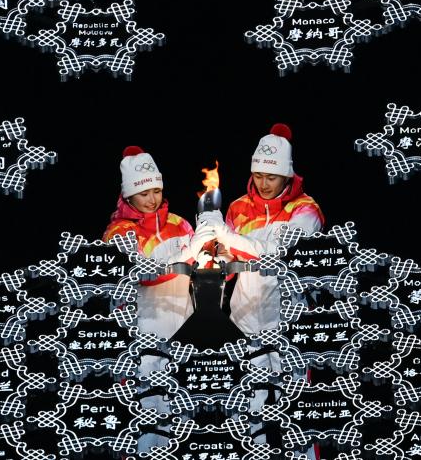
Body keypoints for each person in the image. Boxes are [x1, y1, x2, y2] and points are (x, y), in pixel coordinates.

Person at [205, 123, 325, 334]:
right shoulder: (238, 207)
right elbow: (229, 255)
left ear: (286, 176)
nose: (263, 184)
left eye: (271, 178)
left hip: (289, 319)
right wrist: (216, 262)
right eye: (258, 176)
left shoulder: (306, 209)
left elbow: (278, 254)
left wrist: (227, 236)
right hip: (244, 319)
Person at [103, 145, 213, 341]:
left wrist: (213, 253)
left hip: (184, 324)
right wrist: (189, 254)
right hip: (142, 330)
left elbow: (201, 268)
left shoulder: (178, 223)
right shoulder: (119, 232)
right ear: (129, 196)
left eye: (156, 191)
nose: (152, 200)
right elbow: (145, 275)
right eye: (143, 194)